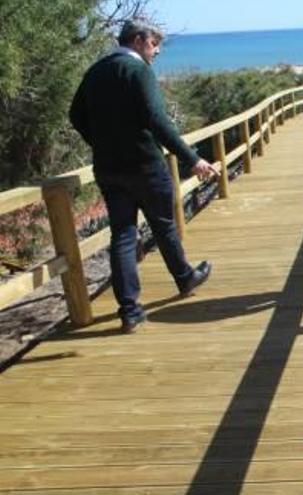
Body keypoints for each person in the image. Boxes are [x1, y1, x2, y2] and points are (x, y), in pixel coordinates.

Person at [69, 19, 217, 332]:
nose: (157, 52)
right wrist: (192, 159)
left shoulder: (96, 71)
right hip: (145, 166)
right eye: (154, 45)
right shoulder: (137, 71)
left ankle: (130, 310)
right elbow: (157, 120)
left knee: (122, 234)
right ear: (138, 40)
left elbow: (76, 115)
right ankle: (185, 277)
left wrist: (102, 143)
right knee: (163, 225)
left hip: (109, 169)